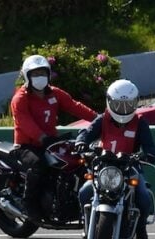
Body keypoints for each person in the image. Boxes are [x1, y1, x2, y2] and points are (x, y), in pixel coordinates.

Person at [10, 54, 96, 222]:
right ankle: (29, 204)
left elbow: (74, 106)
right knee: (38, 165)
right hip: (27, 146)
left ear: (48, 74)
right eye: (35, 74)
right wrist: (42, 137)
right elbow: (25, 123)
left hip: (50, 143)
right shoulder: (20, 99)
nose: (39, 77)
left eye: (42, 73)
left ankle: (65, 202)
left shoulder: (54, 94)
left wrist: (99, 119)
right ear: (27, 76)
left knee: (75, 161)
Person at [75, 79, 155, 239]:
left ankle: (141, 229)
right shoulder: (102, 119)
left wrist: (148, 155)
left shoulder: (140, 122)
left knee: (143, 196)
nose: (123, 109)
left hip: (130, 167)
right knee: (84, 193)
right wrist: (81, 142)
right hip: (104, 167)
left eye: (128, 105)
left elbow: (150, 146)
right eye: (119, 105)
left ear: (135, 103)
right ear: (109, 102)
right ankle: (88, 226)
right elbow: (86, 133)